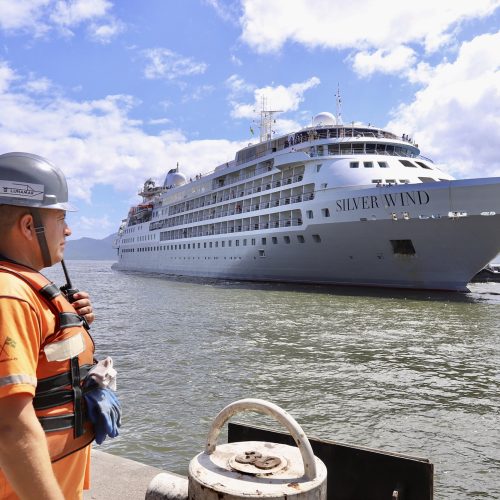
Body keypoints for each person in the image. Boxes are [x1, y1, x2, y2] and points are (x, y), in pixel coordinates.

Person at [0, 152, 97, 499]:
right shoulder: (10, 294)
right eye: (61, 218)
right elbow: (9, 427)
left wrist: (69, 323)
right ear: (29, 226)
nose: (68, 230)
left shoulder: (22, 289)